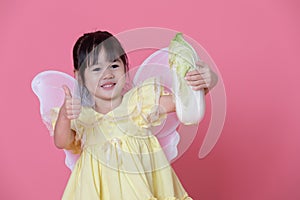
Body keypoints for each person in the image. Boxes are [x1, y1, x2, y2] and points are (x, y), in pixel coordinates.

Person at [51, 30, 218, 200]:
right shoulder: (83, 117)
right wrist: (65, 116)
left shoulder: (138, 103)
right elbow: (62, 141)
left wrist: (207, 82)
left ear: (125, 67)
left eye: (114, 65)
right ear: (79, 77)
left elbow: (183, 102)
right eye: (96, 69)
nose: (107, 74)